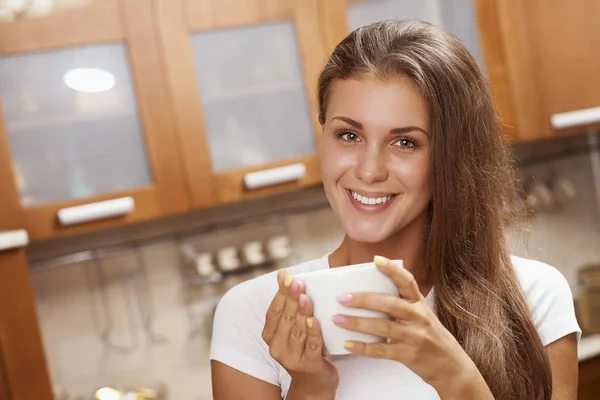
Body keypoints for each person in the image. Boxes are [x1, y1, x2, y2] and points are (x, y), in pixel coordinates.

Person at [210, 20, 580, 400]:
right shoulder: (253, 314)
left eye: (405, 142)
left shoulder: (533, 296)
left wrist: (453, 374)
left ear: (452, 157)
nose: (369, 171)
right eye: (349, 135)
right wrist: (310, 387)